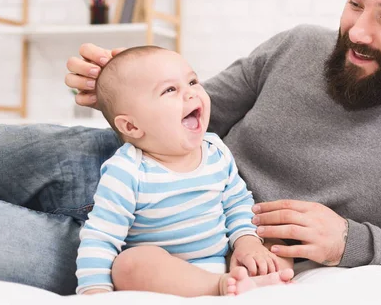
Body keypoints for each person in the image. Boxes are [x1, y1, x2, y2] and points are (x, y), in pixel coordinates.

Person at [0, 0, 381, 295]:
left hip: (180, 257)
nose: (356, 30)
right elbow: (199, 111)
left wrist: (354, 242)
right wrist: (119, 93)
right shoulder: (297, 47)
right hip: (112, 164)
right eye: (355, 3)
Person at [75, 46, 293, 296]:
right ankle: (220, 288)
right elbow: (101, 236)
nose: (191, 93)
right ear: (132, 126)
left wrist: (247, 242)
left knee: (275, 248)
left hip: (222, 263)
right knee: (128, 264)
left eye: (192, 81)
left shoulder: (215, 151)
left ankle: (253, 281)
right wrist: (94, 291)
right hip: (164, 276)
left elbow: (237, 203)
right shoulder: (127, 170)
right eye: (170, 90)